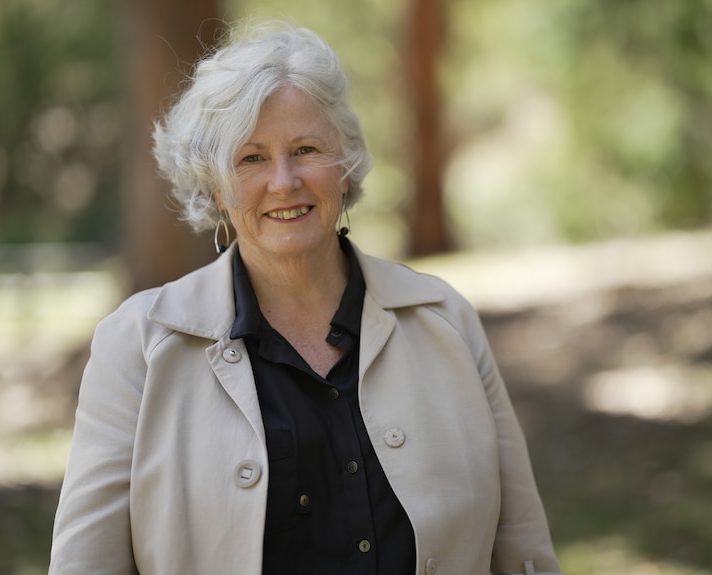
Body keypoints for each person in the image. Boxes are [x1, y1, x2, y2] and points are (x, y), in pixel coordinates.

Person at [49, 20, 563, 575]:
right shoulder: (137, 348)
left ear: (344, 165)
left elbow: (523, 554)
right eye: (251, 158)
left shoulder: (444, 320)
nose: (285, 181)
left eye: (306, 149)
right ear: (216, 188)